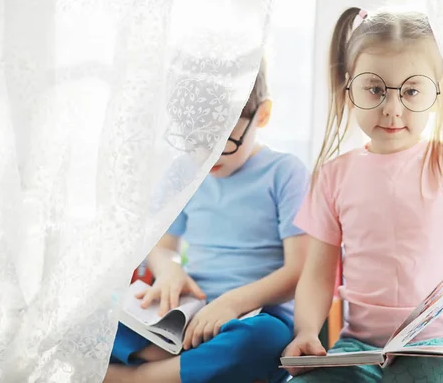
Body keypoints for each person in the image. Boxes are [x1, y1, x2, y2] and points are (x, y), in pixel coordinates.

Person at [282, 7, 443, 383]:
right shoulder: (333, 176)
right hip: (360, 347)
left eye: (411, 90)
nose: (392, 109)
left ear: (437, 93)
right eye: (375, 89)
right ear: (349, 89)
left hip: (441, 347)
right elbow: (318, 275)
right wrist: (305, 332)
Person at [104, 58, 309, 383]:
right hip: (186, 312)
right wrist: (170, 270)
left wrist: (231, 303)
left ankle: (141, 377)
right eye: (193, 140)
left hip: (252, 315)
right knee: (93, 317)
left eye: (223, 140)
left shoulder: (285, 172)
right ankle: (182, 355)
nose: (206, 156)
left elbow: (300, 271)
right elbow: (160, 245)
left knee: (267, 338)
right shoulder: (184, 171)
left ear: (263, 115)